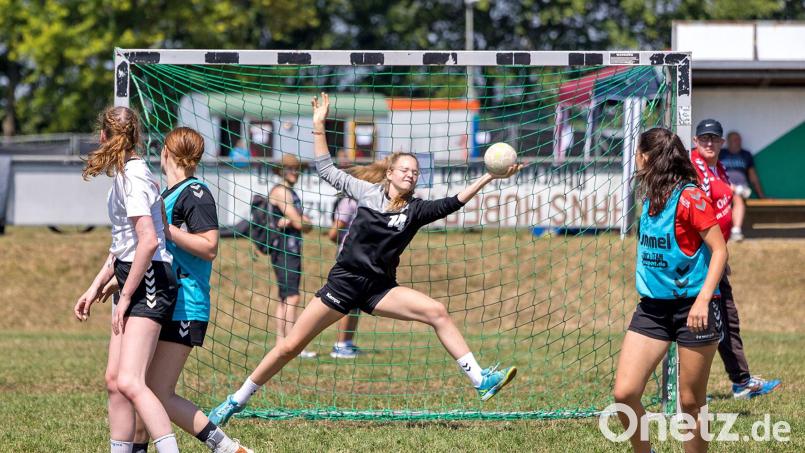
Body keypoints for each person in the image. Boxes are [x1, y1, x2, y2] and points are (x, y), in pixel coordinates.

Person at [207, 93, 520, 426]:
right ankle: (235, 400)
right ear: (390, 173)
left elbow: (453, 202)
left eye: (415, 171)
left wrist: (489, 176)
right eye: (404, 169)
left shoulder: (416, 210)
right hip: (343, 284)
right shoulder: (366, 192)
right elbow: (326, 168)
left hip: (379, 289)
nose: (410, 174)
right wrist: (318, 124)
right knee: (289, 347)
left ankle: (480, 380)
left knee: (436, 312)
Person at [98, 127, 250, 453]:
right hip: (160, 300)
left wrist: (166, 230)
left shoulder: (195, 192)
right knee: (139, 386)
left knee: (155, 390)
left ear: (165, 152)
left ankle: (227, 448)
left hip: (184, 303)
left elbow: (209, 246)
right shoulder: (164, 194)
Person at [613, 127, 728, 453]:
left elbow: (720, 251)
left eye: (638, 153)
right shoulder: (650, 196)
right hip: (653, 308)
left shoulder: (691, 197)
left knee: (691, 402)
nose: (636, 158)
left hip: (694, 308)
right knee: (625, 393)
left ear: (647, 157)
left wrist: (703, 300)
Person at [73, 107, 181, 453]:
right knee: (114, 381)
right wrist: (94, 287)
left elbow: (147, 242)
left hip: (149, 280)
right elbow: (123, 244)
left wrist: (126, 296)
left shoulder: (134, 177)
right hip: (134, 276)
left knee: (132, 382)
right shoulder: (124, 175)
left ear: (103, 136)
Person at [692, 119, 781, 400]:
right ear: (695, 141)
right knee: (701, 325)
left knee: (728, 320)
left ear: (721, 143)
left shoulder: (719, 168)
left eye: (713, 138)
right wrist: (712, 252)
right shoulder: (693, 168)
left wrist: (721, 254)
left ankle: (741, 381)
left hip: (714, 258)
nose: (709, 142)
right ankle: (688, 390)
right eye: (704, 138)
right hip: (697, 261)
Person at [326, 164, 385, 358]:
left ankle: (347, 342)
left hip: (365, 258)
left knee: (357, 302)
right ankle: (340, 345)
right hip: (350, 258)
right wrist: (343, 242)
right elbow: (334, 231)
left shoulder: (372, 200)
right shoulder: (350, 201)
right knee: (349, 302)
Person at [267, 153, 316, 358]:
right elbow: (301, 223)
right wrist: (302, 221)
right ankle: (292, 345)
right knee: (292, 297)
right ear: (281, 171)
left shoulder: (290, 192)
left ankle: (281, 342)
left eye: (296, 168)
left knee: (285, 297)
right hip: (285, 250)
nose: (294, 172)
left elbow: (302, 223)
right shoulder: (281, 192)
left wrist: (300, 221)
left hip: (290, 249)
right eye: (289, 168)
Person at [719, 131, 765, 241]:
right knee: (733, 195)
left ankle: (736, 231)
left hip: (742, 188)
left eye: (739, 139)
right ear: (728, 141)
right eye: (734, 140)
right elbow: (715, 173)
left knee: (737, 197)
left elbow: (753, 176)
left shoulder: (746, 154)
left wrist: (761, 196)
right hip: (724, 186)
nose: (738, 142)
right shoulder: (721, 154)